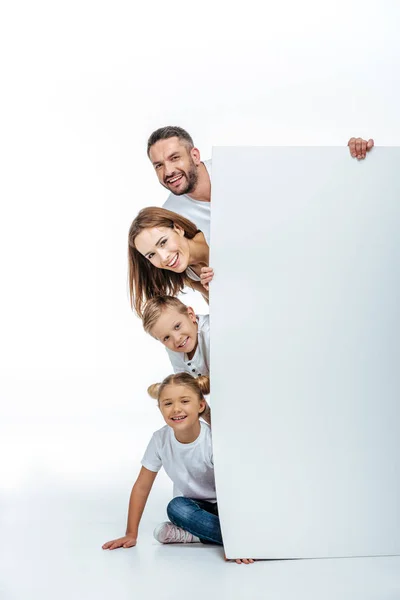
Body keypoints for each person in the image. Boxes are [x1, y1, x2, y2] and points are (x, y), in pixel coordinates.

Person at [102, 372, 254, 564]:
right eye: (168, 403)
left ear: (200, 405)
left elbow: (234, 488)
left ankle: (221, 537)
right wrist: (131, 533)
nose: (176, 409)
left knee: (224, 515)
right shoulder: (160, 440)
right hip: (193, 509)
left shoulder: (213, 440)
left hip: (226, 506)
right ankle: (220, 535)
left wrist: (236, 543)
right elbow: (142, 486)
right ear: (160, 409)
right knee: (176, 508)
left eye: (184, 401)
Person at [147, 125, 375, 239]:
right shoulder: (169, 217)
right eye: (158, 165)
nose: (168, 171)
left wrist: (349, 160)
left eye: (174, 158)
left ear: (194, 155)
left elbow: (304, 182)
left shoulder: (240, 167)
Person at [128, 207, 214, 317]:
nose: (164, 258)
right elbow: (220, 308)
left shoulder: (213, 237)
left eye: (163, 242)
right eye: (151, 255)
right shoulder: (188, 276)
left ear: (178, 228)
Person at [142, 295, 211, 423]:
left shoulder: (210, 334)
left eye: (177, 326)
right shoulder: (174, 350)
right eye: (166, 338)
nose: (177, 338)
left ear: (191, 314)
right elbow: (190, 395)